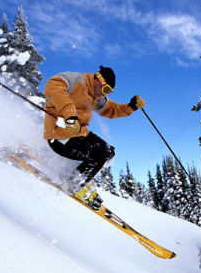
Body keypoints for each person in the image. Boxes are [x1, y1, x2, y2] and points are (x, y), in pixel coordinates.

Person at [43, 66, 145, 209]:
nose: (105, 94)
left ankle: (77, 175)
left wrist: (131, 107)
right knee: (99, 155)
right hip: (59, 134)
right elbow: (53, 85)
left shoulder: (96, 97)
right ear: (98, 80)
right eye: (105, 90)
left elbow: (111, 109)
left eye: (109, 92)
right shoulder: (76, 81)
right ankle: (73, 183)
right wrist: (69, 115)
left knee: (108, 151)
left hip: (78, 133)